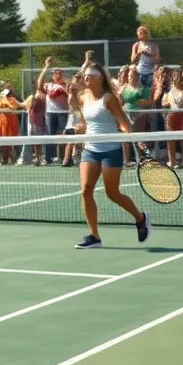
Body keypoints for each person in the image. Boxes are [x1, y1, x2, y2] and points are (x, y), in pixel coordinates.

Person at [72, 62, 151, 250]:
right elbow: (86, 122)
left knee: (112, 193)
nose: (86, 77)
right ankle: (94, 235)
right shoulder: (83, 97)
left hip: (110, 151)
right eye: (85, 75)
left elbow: (122, 122)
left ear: (100, 78)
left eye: (91, 75)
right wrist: (79, 129)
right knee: (85, 190)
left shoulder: (109, 99)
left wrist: (129, 136)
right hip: (90, 150)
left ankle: (140, 218)